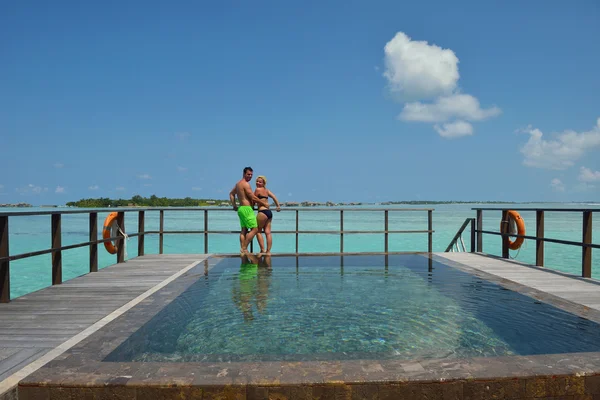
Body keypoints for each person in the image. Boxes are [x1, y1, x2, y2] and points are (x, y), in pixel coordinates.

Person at [229, 167, 268, 254]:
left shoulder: (238, 184)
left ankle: (243, 250)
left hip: (241, 209)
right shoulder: (246, 184)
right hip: (247, 209)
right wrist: (264, 203)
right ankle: (244, 248)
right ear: (244, 174)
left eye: (251, 175)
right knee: (255, 229)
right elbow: (252, 197)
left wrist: (234, 205)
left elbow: (231, 194)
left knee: (244, 230)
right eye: (248, 174)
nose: (250, 176)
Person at [253, 175, 281, 254]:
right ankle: (268, 251)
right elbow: (274, 197)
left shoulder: (257, 190)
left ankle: (262, 250)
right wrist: (278, 206)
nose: (258, 183)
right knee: (268, 232)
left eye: (260, 182)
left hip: (262, 212)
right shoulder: (267, 191)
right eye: (257, 181)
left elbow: (253, 198)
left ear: (264, 183)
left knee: (258, 231)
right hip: (269, 213)